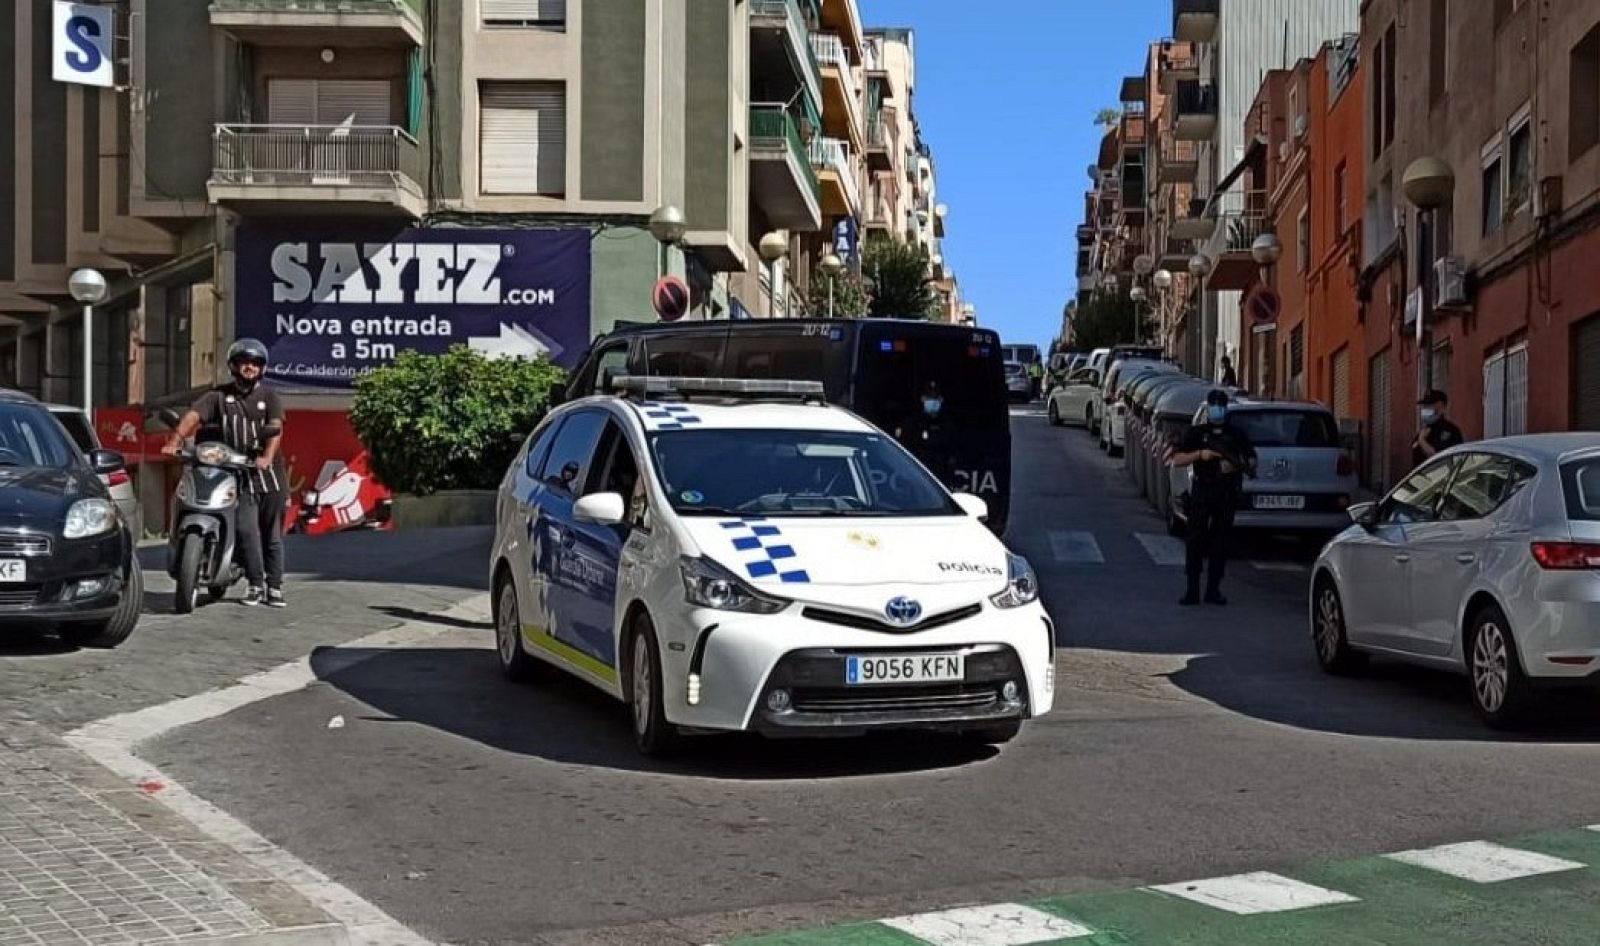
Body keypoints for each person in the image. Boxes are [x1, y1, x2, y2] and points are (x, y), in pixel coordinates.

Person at [162, 339, 289, 608]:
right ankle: (255, 585)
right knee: (246, 530)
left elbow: (275, 428)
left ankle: (274, 586)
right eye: (245, 362)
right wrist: (175, 441)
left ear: (262, 368)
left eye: (255, 363)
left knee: (271, 533)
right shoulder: (218, 396)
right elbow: (193, 417)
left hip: (268, 475)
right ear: (234, 365)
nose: (250, 367)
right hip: (237, 474)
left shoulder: (270, 397)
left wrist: (265, 457)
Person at [1169, 390, 1257, 606]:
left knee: (1221, 543)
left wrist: (1237, 465)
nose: (1218, 408)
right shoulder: (1197, 433)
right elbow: (1177, 459)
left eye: (1221, 405)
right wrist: (1200, 455)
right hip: (1202, 491)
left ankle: (1213, 590)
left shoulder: (1236, 434)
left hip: (1226, 493)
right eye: (1214, 405)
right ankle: (1192, 590)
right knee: (1195, 540)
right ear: (1208, 407)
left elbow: (1251, 459)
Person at [1412, 389, 1464, 468]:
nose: (1425, 409)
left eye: (1429, 405)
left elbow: (1437, 458)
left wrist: (1422, 441)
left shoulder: (1450, 431)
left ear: (1441, 407)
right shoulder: (1424, 431)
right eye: (1425, 406)